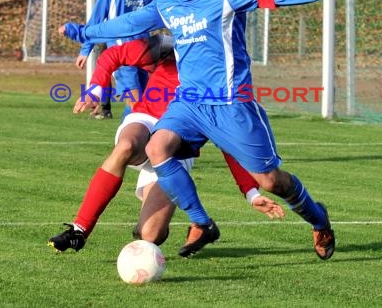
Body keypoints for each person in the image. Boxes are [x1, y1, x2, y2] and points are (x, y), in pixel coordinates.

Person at [61, 0, 343, 259]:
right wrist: (86, 34)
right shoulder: (168, 3)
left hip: (231, 103)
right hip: (189, 103)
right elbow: (129, 23)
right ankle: (201, 222)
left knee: (270, 181)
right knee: (156, 147)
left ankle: (318, 218)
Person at [48, 34, 285, 252]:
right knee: (127, 145)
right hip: (147, 120)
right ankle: (79, 230)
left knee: (149, 236)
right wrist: (97, 87)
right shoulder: (171, 45)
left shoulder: (223, 80)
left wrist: (251, 193)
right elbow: (112, 55)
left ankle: (178, 222)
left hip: (175, 149)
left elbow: (228, 141)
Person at [65, 0, 172, 119]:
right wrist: (86, 49)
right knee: (135, 101)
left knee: (147, 101)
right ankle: (129, 142)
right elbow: (99, 14)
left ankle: (135, 139)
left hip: (145, 50)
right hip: (120, 51)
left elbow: (177, 1)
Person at [80, 0, 125, 120]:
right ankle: (104, 108)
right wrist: (86, 48)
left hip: (128, 39)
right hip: (106, 36)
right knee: (103, 69)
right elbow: (98, 16)